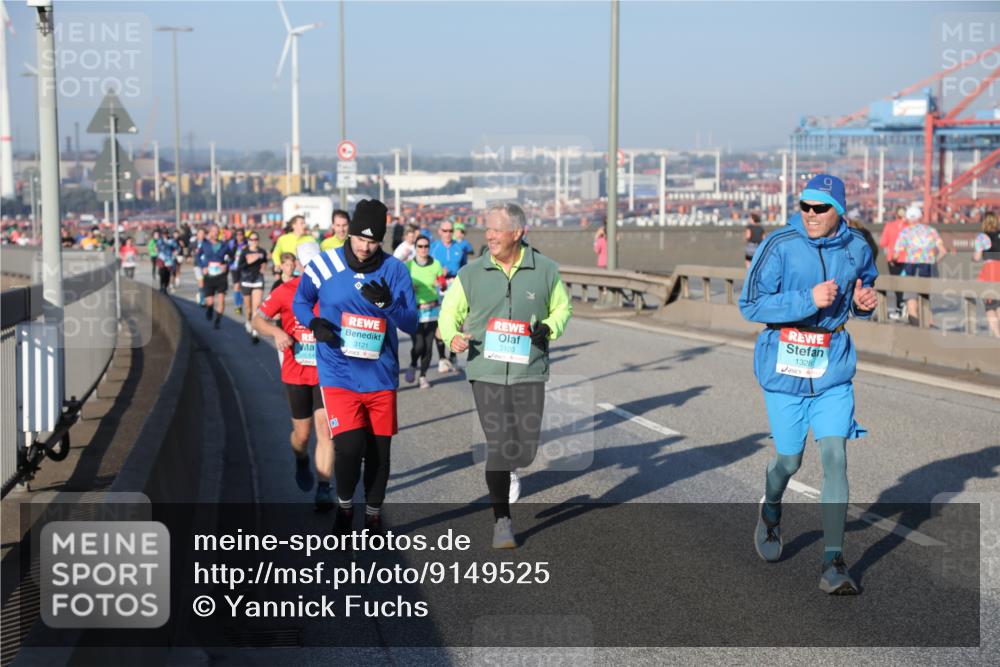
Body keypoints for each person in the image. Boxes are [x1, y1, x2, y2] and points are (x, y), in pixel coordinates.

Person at [739, 174, 877, 595]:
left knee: (835, 455)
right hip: (784, 367)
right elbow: (750, 304)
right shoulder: (779, 245)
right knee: (789, 461)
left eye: (820, 208)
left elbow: (865, 284)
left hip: (832, 366)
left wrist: (862, 303)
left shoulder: (857, 246)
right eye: (805, 206)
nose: (811, 215)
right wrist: (807, 299)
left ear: (839, 210)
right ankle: (772, 510)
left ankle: (834, 561)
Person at [437, 202, 572, 549]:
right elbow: (449, 311)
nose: (490, 236)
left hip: (530, 369)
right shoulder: (471, 273)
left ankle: (513, 467)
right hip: (486, 369)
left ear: (518, 233)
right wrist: (452, 335)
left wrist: (549, 327)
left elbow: (562, 307)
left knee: (524, 449)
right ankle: (502, 521)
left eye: (497, 230)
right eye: (488, 229)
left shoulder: (545, 269)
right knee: (498, 443)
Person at [293, 199, 418, 536]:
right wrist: (313, 323)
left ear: (381, 241)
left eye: (373, 241)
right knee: (348, 447)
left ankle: (374, 515)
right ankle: (346, 508)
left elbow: (412, 323)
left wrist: (388, 304)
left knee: (380, 452)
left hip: (380, 375)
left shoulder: (394, 270)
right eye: (360, 239)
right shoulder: (324, 264)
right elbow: (301, 300)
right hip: (338, 372)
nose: (365, 247)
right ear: (348, 233)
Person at [253, 241, 335, 511]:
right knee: (302, 434)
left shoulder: (333, 291)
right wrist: (277, 333)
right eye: (308, 266)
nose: (312, 272)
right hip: (296, 372)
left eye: (317, 267)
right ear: (300, 266)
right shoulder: (286, 291)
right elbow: (258, 320)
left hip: (326, 373)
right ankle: (301, 459)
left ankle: (324, 487)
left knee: (326, 431)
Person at [894, 205, 949, 325]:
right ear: (920, 217)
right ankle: (929, 328)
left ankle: (916, 332)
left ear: (908, 218)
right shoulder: (931, 231)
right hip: (927, 268)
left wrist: (894, 261)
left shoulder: (905, 232)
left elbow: (896, 255)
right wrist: (934, 261)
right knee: (926, 302)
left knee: (911, 302)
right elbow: (943, 251)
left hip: (910, 269)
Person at [404, 236, 446, 388]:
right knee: (419, 345)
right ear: (415, 248)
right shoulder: (408, 266)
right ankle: (413, 363)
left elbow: (443, 285)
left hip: (433, 309)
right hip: (415, 311)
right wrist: (410, 289)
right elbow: (401, 288)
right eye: (420, 246)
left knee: (428, 347)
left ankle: (422, 376)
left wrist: (440, 284)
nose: (423, 249)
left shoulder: (436, 264)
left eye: (426, 246)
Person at [430, 221, 468, 372]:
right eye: (444, 230)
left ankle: (453, 356)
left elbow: (465, 268)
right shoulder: (434, 248)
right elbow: (428, 269)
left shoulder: (459, 248)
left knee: (457, 323)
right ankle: (442, 358)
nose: (447, 233)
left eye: (450, 230)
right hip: (440, 287)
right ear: (439, 231)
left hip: (456, 287)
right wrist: (437, 277)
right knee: (442, 323)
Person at [196, 224, 235, 330]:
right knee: (210, 301)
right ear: (209, 232)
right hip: (209, 275)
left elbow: (232, 257)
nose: (215, 233)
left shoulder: (224, 245)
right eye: (213, 231)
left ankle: (217, 320)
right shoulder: (204, 244)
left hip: (221, 275)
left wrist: (226, 265)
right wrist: (203, 266)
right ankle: (209, 309)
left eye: (217, 231)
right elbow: (198, 257)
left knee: (221, 299)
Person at [973, 211, 1000, 338]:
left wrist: (973, 258)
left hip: (990, 271)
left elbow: (977, 257)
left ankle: (998, 335)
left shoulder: (982, 237)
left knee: (990, 306)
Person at [238, 231, 268, 344]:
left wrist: (263, 267)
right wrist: (250, 260)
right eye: (252, 239)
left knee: (257, 307)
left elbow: (265, 261)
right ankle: (248, 320)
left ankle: (255, 330)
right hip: (246, 280)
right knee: (248, 308)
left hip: (258, 280)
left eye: (256, 239)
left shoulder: (262, 251)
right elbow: (239, 265)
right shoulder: (244, 251)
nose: (254, 241)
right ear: (248, 240)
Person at [879, 206, 908, 319]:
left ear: (896, 214)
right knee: (909, 283)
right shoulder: (909, 227)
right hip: (908, 259)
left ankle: (900, 307)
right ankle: (908, 306)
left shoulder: (889, 226)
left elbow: (883, 243)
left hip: (893, 260)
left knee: (897, 284)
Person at [229, 228, 247, 315]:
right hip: (234, 267)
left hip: (244, 267)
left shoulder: (246, 244)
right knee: (237, 285)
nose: (239, 236)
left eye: (241, 234)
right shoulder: (232, 243)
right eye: (238, 234)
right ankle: (238, 305)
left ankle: (240, 303)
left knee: (242, 286)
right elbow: (228, 253)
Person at [191, 227, 207, 305]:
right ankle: (202, 300)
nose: (201, 235)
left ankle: (200, 294)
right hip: (197, 265)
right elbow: (190, 252)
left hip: (206, 265)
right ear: (197, 234)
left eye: (203, 234)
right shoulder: (194, 243)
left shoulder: (207, 243)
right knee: (201, 282)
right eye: (200, 233)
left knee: (205, 282)